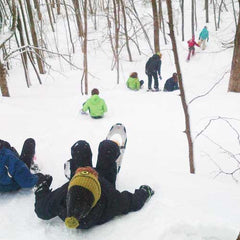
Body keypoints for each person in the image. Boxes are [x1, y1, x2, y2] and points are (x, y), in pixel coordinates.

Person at [34, 139, 154, 229]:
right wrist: (144, 192)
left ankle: (75, 167)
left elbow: (41, 209)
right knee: (108, 146)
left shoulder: (63, 195)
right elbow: (131, 202)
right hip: (104, 180)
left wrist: (41, 185)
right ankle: (110, 159)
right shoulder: (110, 198)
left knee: (81, 146)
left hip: (80, 180)